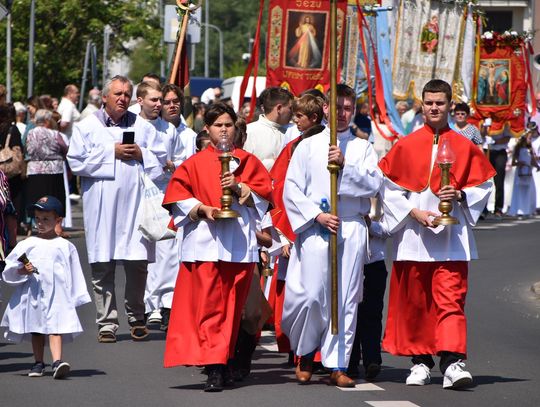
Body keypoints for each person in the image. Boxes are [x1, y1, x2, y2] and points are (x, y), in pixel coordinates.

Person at [378, 79, 496, 390]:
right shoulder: (405, 144)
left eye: (440, 103)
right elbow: (389, 190)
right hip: (414, 240)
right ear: (422, 103)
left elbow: (483, 186)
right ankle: (419, 363)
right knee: (415, 304)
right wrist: (413, 213)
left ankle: (453, 363)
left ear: (448, 104)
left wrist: (460, 195)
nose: (434, 108)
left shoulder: (464, 145)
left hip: (451, 241)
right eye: (429, 102)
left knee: (451, 301)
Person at [162, 103, 272, 392]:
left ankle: (232, 359)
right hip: (205, 245)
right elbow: (178, 198)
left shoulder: (247, 161)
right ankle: (215, 368)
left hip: (238, 244)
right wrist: (202, 210)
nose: (224, 129)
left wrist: (240, 188)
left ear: (236, 128)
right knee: (211, 309)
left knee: (237, 310)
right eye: (218, 125)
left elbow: (264, 198)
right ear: (207, 130)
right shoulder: (193, 163)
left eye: (229, 124)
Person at [281, 84, 382, 387]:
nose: (342, 113)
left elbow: (373, 185)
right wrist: (316, 215)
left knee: (346, 299)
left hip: (349, 226)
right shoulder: (308, 146)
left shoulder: (362, 147)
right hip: (315, 227)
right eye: (337, 107)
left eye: (348, 108)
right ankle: (305, 354)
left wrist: (345, 166)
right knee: (312, 295)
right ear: (325, 108)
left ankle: (337, 363)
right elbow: (291, 188)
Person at [67, 75, 167, 343]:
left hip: (135, 206)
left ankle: (136, 315)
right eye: (118, 94)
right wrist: (110, 152)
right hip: (102, 205)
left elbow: (161, 158)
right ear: (105, 98)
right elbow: (75, 162)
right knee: (103, 264)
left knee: (137, 263)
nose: (123, 98)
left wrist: (140, 154)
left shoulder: (143, 127)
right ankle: (107, 321)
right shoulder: (86, 127)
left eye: (127, 94)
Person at [0, 196, 91, 379]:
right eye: (37, 219)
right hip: (34, 293)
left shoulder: (65, 246)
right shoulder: (27, 244)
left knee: (56, 326)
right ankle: (38, 362)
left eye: (46, 219)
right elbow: (10, 268)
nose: (40, 223)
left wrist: (75, 296)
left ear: (58, 221)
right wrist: (22, 271)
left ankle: (57, 361)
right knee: (37, 328)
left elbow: (74, 271)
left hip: (58, 293)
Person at [137, 81, 184, 330]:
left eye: (162, 101)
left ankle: (166, 304)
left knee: (166, 250)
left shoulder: (170, 130)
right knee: (142, 252)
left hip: (162, 193)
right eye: (156, 101)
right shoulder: (134, 124)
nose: (159, 106)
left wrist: (171, 164)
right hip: (139, 192)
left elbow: (175, 158)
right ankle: (145, 305)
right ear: (141, 100)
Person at [347, 213, 390, 381]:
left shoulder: (381, 197)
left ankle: (372, 360)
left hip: (374, 262)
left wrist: (370, 224)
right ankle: (350, 363)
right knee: (350, 313)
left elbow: (390, 229)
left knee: (372, 312)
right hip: (348, 260)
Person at [24, 109, 68, 236]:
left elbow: (27, 148)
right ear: (47, 121)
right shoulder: (54, 133)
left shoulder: (30, 133)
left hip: (35, 169)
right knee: (56, 197)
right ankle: (57, 228)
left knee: (36, 198)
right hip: (54, 169)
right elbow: (64, 147)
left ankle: (32, 228)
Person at [244, 87, 294, 171]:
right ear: (279, 108)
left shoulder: (294, 131)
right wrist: (274, 163)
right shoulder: (249, 132)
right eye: (290, 108)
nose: (293, 112)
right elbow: (245, 167)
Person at [161, 84, 197, 161]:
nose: (172, 106)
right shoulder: (154, 130)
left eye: (175, 101)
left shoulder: (191, 136)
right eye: (167, 102)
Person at [507, 131, 538, 218]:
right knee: (519, 191)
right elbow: (513, 163)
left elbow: (532, 160)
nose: (530, 140)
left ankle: (527, 210)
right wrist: (519, 163)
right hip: (520, 172)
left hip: (528, 172)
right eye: (529, 138)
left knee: (528, 191)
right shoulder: (518, 148)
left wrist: (537, 166)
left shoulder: (530, 149)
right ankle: (519, 209)